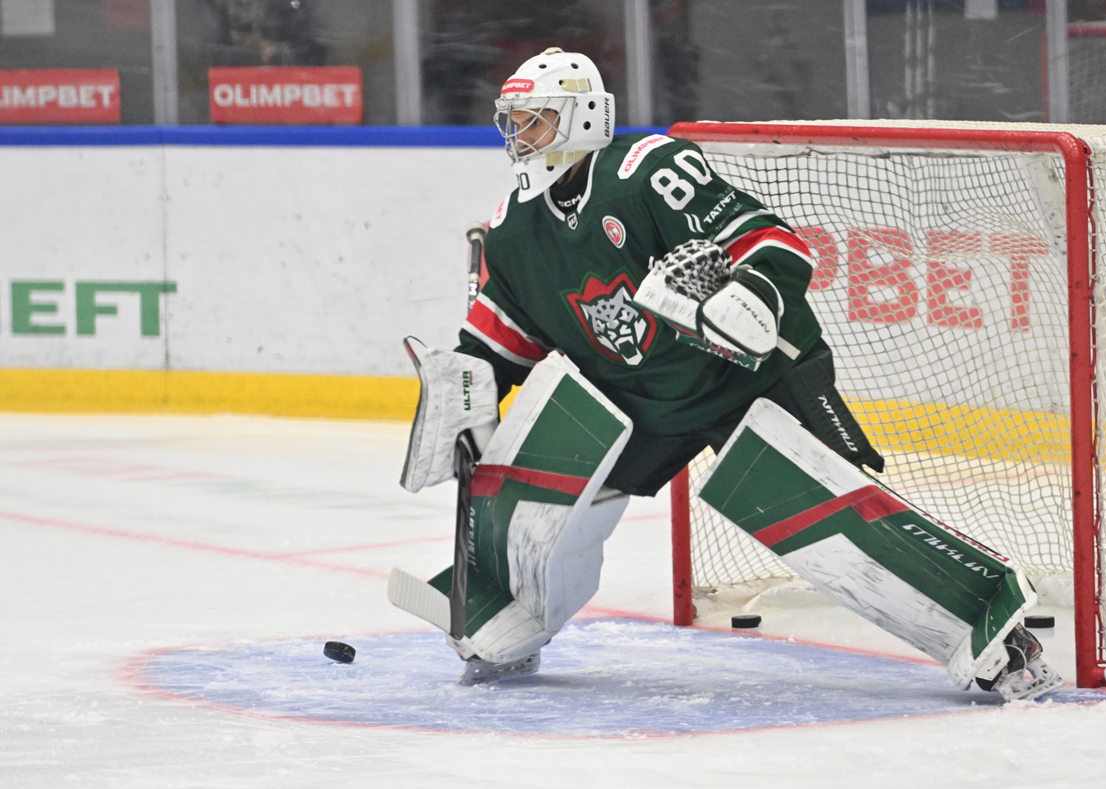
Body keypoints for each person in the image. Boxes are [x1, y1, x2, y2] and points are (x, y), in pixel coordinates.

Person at [394, 48, 1060, 701]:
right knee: (528, 477)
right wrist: (463, 395)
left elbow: (774, 243)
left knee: (827, 516)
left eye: (534, 120)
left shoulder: (647, 169)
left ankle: (996, 637)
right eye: (513, 122)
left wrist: (747, 298)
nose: (518, 136)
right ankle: (504, 611)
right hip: (640, 404)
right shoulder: (514, 232)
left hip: (745, 378)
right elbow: (495, 346)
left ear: (583, 117)